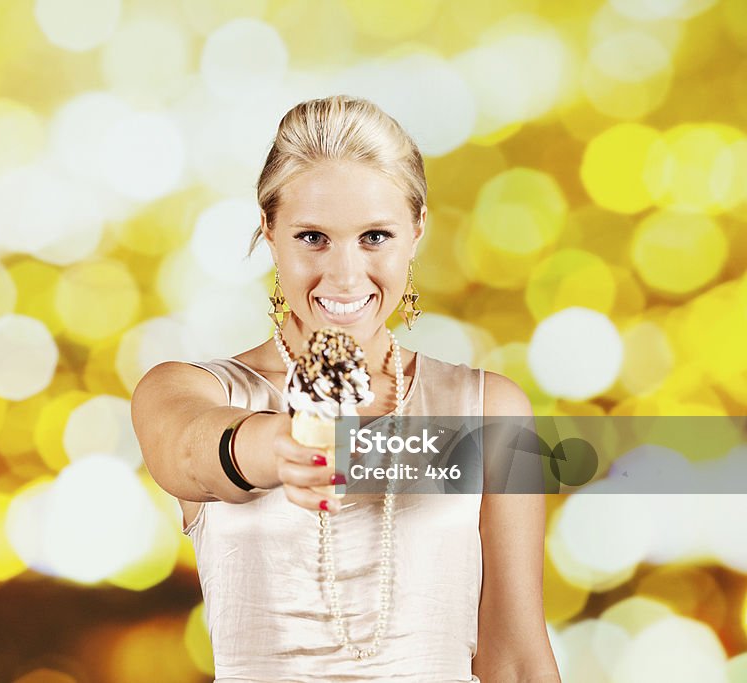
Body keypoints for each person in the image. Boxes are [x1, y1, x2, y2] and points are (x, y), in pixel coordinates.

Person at [132, 95, 561, 682]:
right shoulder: (190, 388)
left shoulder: (488, 409)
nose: (344, 275)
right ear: (270, 230)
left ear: (417, 230)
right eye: (313, 237)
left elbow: (514, 659)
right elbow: (188, 450)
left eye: (374, 237)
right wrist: (281, 445)